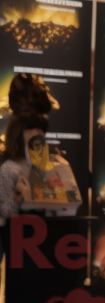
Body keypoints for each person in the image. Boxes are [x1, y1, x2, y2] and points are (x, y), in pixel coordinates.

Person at [0, 74, 55, 225]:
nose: (39, 133)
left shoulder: (43, 166)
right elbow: (3, 219)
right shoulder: (9, 170)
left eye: (42, 128)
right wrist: (17, 196)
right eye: (33, 126)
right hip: (19, 235)